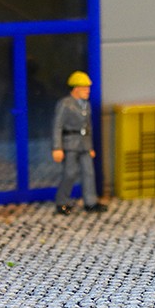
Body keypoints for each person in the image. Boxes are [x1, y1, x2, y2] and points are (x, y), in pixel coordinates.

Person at [52, 71, 107, 215]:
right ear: (76, 89)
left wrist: (90, 147)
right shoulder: (65, 104)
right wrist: (57, 147)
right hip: (70, 144)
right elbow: (57, 126)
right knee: (70, 173)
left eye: (88, 88)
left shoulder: (86, 105)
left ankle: (90, 202)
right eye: (84, 88)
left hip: (84, 144)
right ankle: (62, 202)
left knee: (89, 172)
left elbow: (88, 127)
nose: (87, 91)